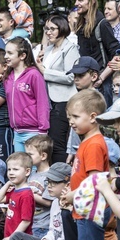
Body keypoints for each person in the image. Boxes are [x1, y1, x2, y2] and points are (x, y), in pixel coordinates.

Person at [64, 89, 116, 240]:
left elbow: (95, 182)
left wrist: (71, 194)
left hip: (92, 210)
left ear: (93, 117)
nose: (71, 122)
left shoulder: (94, 144)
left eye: (75, 117)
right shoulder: (86, 141)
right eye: (69, 118)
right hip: (83, 208)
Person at [38, 14, 80, 163]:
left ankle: (61, 176)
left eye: (52, 29)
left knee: (57, 143)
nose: (48, 32)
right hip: (47, 100)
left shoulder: (70, 48)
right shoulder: (48, 49)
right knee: (48, 142)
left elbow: (70, 77)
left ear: (62, 29)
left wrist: (44, 71)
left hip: (62, 101)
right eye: (46, 29)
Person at [71, 0, 120, 106]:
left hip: (101, 84)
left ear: (92, 1)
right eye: (76, 0)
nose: (76, 4)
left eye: (80, 0)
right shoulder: (80, 24)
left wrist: (102, 78)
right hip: (84, 81)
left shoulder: (102, 24)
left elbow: (117, 53)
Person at [3, 37, 50, 152]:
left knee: (34, 168)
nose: (5, 56)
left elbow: (43, 103)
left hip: (34, 132)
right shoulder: (8, 77)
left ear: (22, 56)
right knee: (21, 167)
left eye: (10, 53)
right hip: (17, 132)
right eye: (5, 52)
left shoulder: (34, 75)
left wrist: (43, 131)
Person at [24, 134, 53, 238]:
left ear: (43, 156)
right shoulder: (31, 174)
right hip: (29, 222)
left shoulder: (50, 176)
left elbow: (48, 202)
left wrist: (27, 192)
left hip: (43, 225)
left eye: (30, 155)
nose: (26, 158)